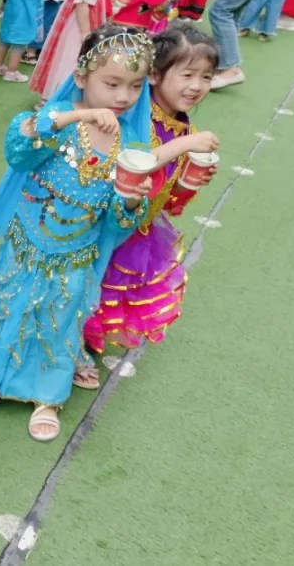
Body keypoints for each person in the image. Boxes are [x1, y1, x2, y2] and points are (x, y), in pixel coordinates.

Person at [0, 26, 153, 442]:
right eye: (111, 83)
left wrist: (132, 200)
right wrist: (78, 115)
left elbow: (118, 222)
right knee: (7, 299)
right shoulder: (57, 119)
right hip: (26, 241)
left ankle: (47, 395)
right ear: (81, 77)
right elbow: (19, 146)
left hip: (75, 252)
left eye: (135, 86)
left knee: (59, 318)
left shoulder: (131, 142)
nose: (123, 96)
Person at [85, 25, 219, 355]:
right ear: (156, 76)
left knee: (112, 290)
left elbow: (169, 196)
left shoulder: (184, 124)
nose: (196, 86)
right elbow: (138, 160)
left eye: (206, 77)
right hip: (107, 221)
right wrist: (187, 144)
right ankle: (70, 346)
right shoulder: (136, 117)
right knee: (92, 282)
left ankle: (81, 342)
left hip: (142, 223)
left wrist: (190, 181)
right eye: (188, 74)